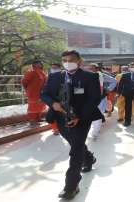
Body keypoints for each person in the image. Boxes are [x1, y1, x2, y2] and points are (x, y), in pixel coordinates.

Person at [41, 50, 102, 199]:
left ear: (79, 61)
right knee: (76, 143)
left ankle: (71, 186)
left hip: (81, 118)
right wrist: (53, 103)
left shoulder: (90, 77)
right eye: (64, 60)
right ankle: (88, 158)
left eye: (71, 59)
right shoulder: (55, 77)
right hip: (61, 117)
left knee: (75, 149)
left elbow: (94, 99)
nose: (67, 62)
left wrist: (79, 116)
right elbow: (44, 94)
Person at [85, 63, 117, 141]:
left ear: (97, 69)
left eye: (92, 68)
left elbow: (114, 81)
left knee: (98, 115)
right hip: (87, 99)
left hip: (100, 99)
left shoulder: (101, 76)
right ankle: (92, 130)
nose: (90, 70)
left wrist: (108, 89)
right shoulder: (84, 76)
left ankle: (95, 133)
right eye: (89, 68)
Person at [116, 61, 134, 127]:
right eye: (132, 67)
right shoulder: (125, 75)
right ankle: (127, 121)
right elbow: (120, 85)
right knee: (128, 107)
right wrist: (118, 93)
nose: (133, 68)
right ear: (129, 68)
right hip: (128, 93)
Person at [21, 60, 47, 125]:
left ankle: (38, 118)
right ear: (34, 64)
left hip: (41, 92)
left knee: (40, 105)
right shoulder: (31, 72)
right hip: (33, 93)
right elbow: (24, 81)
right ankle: (32, 120)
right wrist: (27, 89)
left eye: (40, 63)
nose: (40, 64)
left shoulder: (42, 72)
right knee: (33, 106)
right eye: (38, 63)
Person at [47, 63, 62, 135]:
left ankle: (58, 128)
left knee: (58, 115)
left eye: (55, 68)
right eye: (52, 68)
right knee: (51, 115)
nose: (53, 69)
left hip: (62, 100)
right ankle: (55, 129)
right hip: (52, 100)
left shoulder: (64, 75)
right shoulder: (50, 76)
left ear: (59, 68)